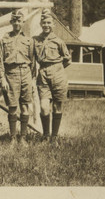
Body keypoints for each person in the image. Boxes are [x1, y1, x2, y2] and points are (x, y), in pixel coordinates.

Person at [33, 8, 71, 143]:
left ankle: (54, 137)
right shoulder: (35, 40)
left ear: (53, 24)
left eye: (49, 23)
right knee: (44, 107)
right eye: (44, 23)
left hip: (58, 74)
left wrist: (57, 69)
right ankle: (46, 135)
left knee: (57, 106)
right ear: (40, 24)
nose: (46, 25)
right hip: (43, 74)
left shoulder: (59, 41)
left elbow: (67, 59)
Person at [0, 10, 35, 144]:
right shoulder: (4, 40)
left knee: (25, 107)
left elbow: (33, 61)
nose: (17, 23)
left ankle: (23, 137)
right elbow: (0, 61)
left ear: (23, 22)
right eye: (14, 21)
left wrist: (31, 80)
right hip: (10, 74)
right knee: (12, 107)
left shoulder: (29, 40)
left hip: (26, 74)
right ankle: (13, 137)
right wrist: (2, 78)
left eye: (19, 21)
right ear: (11, 22)